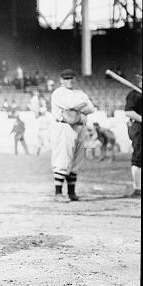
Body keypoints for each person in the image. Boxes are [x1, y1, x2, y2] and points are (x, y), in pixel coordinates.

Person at [50, 69, 95, 202]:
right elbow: (69, 105)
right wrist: (81, 105)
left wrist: (75, 108)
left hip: (80, 126)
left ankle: (71, 192)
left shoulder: (79, 93)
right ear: (61, 80)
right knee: (62, 157)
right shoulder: (58, 93)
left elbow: (91, 108)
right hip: (64, 126)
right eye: (66, 78)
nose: (69, 81)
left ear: (75, 79)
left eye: (71, 78)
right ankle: (58, 193)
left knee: (76, 159)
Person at [124, 75, 142, 197]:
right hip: (138, 127)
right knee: (139, 155)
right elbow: (128, 111)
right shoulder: (134, 94)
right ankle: (138, 188)